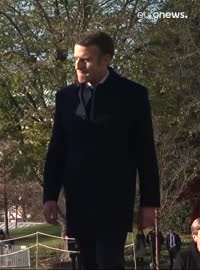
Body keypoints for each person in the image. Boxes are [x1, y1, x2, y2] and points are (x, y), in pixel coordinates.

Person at [42, 31, 161, 269]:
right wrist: (50, 196)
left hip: (113, 202)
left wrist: (149, 203)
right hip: (78, 202)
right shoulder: (65, 98)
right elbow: (57, 150)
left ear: (105, 60)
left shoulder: (133, 95)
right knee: (85, 264)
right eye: (75, 58)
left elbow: (145, 152)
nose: (77, 64)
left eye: (84, 59)